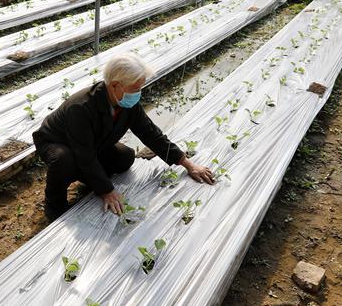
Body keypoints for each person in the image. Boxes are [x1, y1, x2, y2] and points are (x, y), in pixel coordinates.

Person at [32, 52, 215, 221]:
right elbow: (84, 154)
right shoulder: (81, 108)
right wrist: (107, 191)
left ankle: (89, 178)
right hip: (56, 142)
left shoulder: (127, 104)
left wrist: (188, 164)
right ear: (114, 85)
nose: (138, 93)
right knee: (65, 159)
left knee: (125, 157)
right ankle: (54, 208)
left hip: (91, 144)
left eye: (140, 87)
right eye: (135, 88)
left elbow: (150, 133)